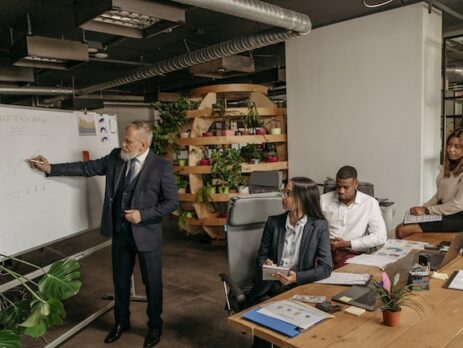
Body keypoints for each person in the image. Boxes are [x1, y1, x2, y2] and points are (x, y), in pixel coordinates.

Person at [30, 121, 178, 348]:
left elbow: (172, 202)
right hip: (120, 233)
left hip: (146, 235)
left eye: (128, 141)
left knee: (152, 284)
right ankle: (121, 323)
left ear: (143, 144)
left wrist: (143, 214)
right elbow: (86, 168)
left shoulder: (161, 167)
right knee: (120, 282)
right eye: (123, 139)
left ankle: (154, 326)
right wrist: (51, 168)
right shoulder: (116, 157)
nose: (123, 144)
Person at [248, 177, 332, 305]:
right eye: (283, 192)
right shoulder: (273, 223)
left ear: (302, 198)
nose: (283, 197)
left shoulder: (319, 226)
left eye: (288, 194)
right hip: (270, 287)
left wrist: (296, 277)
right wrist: (266, 265)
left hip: (300, 288)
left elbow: (325, 268)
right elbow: (260, 258)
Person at [396, 127, 463, 239]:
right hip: (445, 211)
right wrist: (422, 208)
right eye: (449, 145)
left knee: (403, 231)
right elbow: (438, 196)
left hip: (458, 217)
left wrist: (427, 210)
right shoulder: (448, 166)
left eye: (457, 147)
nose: (451, 149)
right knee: (400, 227)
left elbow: (457, 205)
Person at [320, 166, 387, 269]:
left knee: (342, 275)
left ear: (356, 184)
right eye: (338, 186)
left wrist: (348, 244)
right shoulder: (323, 200)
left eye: (346, 187)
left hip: (352, 253)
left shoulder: (370, 203)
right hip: (325, 250)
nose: (341, 191)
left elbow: (380, 236)